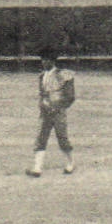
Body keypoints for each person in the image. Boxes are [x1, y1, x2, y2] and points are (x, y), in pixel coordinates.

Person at [25, 46, 76, 177]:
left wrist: (58, 107)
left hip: (58, 112)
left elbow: (70, 97)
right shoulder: (42, 76)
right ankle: (37, 169)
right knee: (40, 139)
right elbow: (42, 94)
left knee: (62, 139)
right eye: (43, 60)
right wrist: (43, 106)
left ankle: (70, 164)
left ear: (52, 61)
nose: (44, 62)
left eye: (46, 60)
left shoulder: (63, 75)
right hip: (45, 112)